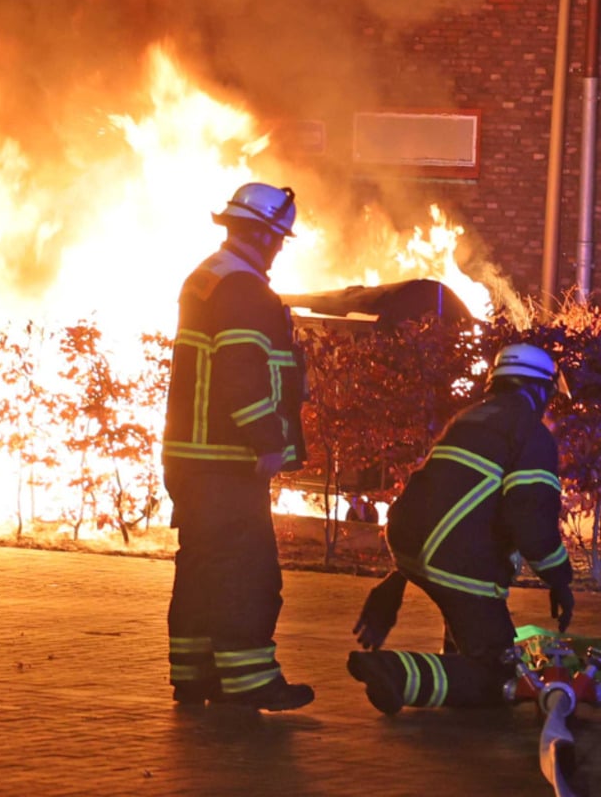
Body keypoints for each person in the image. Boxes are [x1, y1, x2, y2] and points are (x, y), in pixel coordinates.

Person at [348, 342, 574, 714]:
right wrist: (560, 580)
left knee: (475, 633)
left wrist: (397, 579)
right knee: (498, 677)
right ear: (538, 389)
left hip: (415, 546)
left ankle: (455, 657)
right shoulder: (530, 435)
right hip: (457, 561)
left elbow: (438, 502)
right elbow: (530, 519)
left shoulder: (470, 418)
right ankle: (394, 673)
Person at [162, 182, 312, 711]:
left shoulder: (207, 278)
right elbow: (241, 373)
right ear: (266, 235)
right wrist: (267, 440)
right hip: (227, 462)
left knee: (203, 565)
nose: (277, 249)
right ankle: (250, 681)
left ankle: (195, 672)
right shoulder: (246, 290)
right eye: (278, 239)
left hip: (191, 459)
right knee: (248, 571)